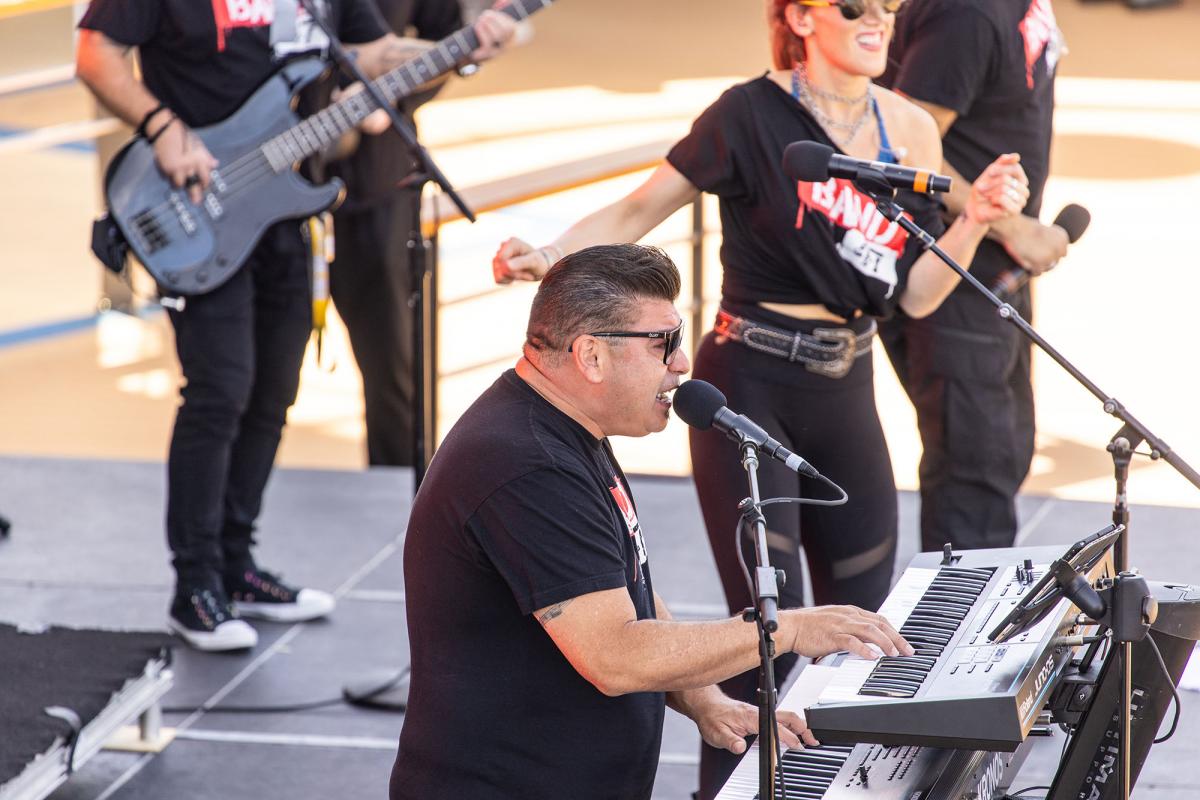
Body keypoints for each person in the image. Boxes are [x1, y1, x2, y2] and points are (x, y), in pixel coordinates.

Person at [492, 1, 1028, 793]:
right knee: (764, 633)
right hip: (752, 381)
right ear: (802, 18)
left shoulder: (910, 128)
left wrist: (975, 219)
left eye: (888, 6)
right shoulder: (747, 114)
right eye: (855, 7)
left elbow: (913, 295)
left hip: (847, 383)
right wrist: (552, 256)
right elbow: (641, 207)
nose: (877, 19)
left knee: (863, 625)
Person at [391, 243, 912, 799]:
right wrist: (788, 630)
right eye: (663, 343)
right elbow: (615, 655)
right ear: (591, 355)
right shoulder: (529, 465)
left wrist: (706, 701)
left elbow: (624, 589)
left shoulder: (564, 427)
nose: (682, 363)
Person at [75, 0, 513, 652]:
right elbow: (94, 52)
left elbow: (371, 54)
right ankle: (195, 585)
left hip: (282, 210)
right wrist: (164, 128)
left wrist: (462, 48)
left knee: (274, 391)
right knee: (219, 392)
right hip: (193, 201)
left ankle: (236, 566)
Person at [878, 0, 1068, 553]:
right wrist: (1011, 226)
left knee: (1002, 452)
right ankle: (959, 610)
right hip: (951, 276)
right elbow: (898, 147)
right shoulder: (965, 13)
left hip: (994, 271)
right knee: (972, 478)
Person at [326, 0, 482, 467]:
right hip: (266, 175)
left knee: (394, 363)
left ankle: (401, 493)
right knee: (255, 371)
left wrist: (395, 97)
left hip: (378, 179)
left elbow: (447, 40)